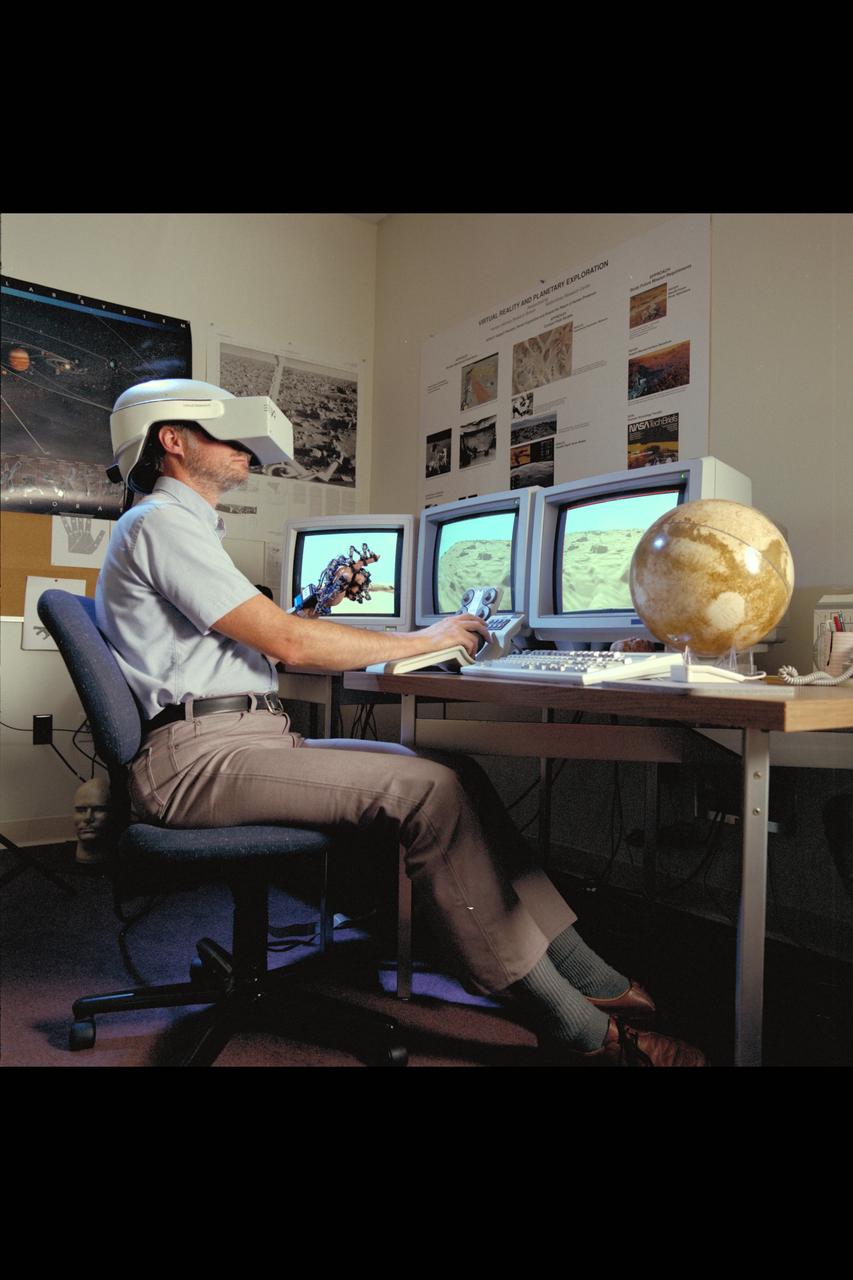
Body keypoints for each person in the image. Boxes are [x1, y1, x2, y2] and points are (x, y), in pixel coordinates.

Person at [97, 380, 706, 1067]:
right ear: (172, 442)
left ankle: (588, 974)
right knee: (429, 793)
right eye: (223, 433)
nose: (242, 447)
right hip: (197, 760)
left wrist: (333, 616)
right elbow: (288, 645)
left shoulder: (185, 531)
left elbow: (252, 639)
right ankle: (572, 1024)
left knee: (457, 773)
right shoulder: (159, 522)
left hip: (241, 739)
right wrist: (426, 639)